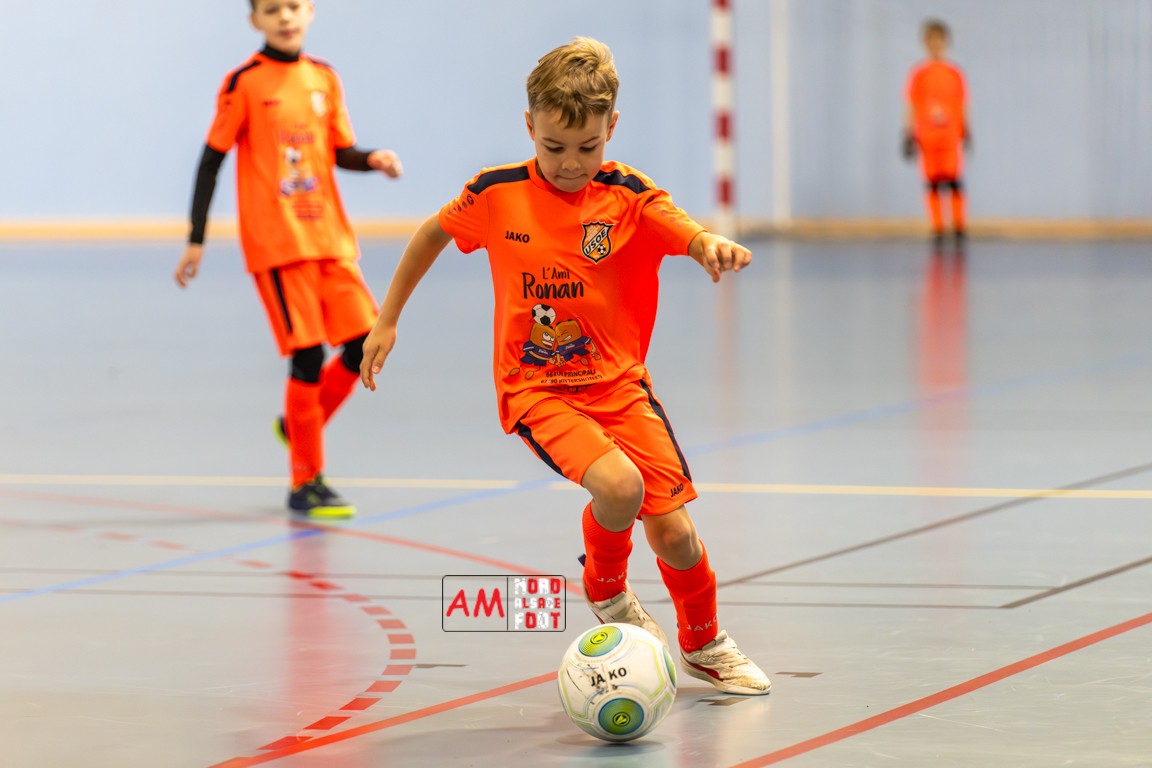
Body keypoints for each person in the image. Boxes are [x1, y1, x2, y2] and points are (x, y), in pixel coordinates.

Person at [359, 38, 770, 694]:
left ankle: (703, 642)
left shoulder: (629, 196)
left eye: (587, 147)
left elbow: (685, 231)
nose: (571, 163)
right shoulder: (496, 194)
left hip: (620, 388)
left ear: (612, 128)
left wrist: (709, 246)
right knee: (619, 487)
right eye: (554, 147)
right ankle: (606, 589)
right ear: (530, 127)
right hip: (537, 390)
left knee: (677, 536)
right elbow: (433, 233)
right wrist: (387, 318)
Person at [174, 0, 402, 517]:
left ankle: (298, 425)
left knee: (366, 342)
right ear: (254, 20)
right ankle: (306, 482)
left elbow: (339, 151)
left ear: (310, 11)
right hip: (278, 243)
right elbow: (211, 160)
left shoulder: (324, 78)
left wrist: (372, 159)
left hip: (330, 237)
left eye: (293, 6)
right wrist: (196, 238)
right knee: (307, 355)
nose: (285, 16)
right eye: (272, 8)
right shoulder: (244, 83)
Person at [904, 19, 969, 244]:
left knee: (954, 181)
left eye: (939, 40)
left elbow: (962, 103)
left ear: (946, 42)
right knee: (932, 183)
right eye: (931, 40)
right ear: (925, 43)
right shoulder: (919, 75)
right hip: (928, 138)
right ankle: (938, 228)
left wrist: (967, 130)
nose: (935, 45)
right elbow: (911, 104)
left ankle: (959, 226)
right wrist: (907, 134)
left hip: (950, 137)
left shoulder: (954, 74)